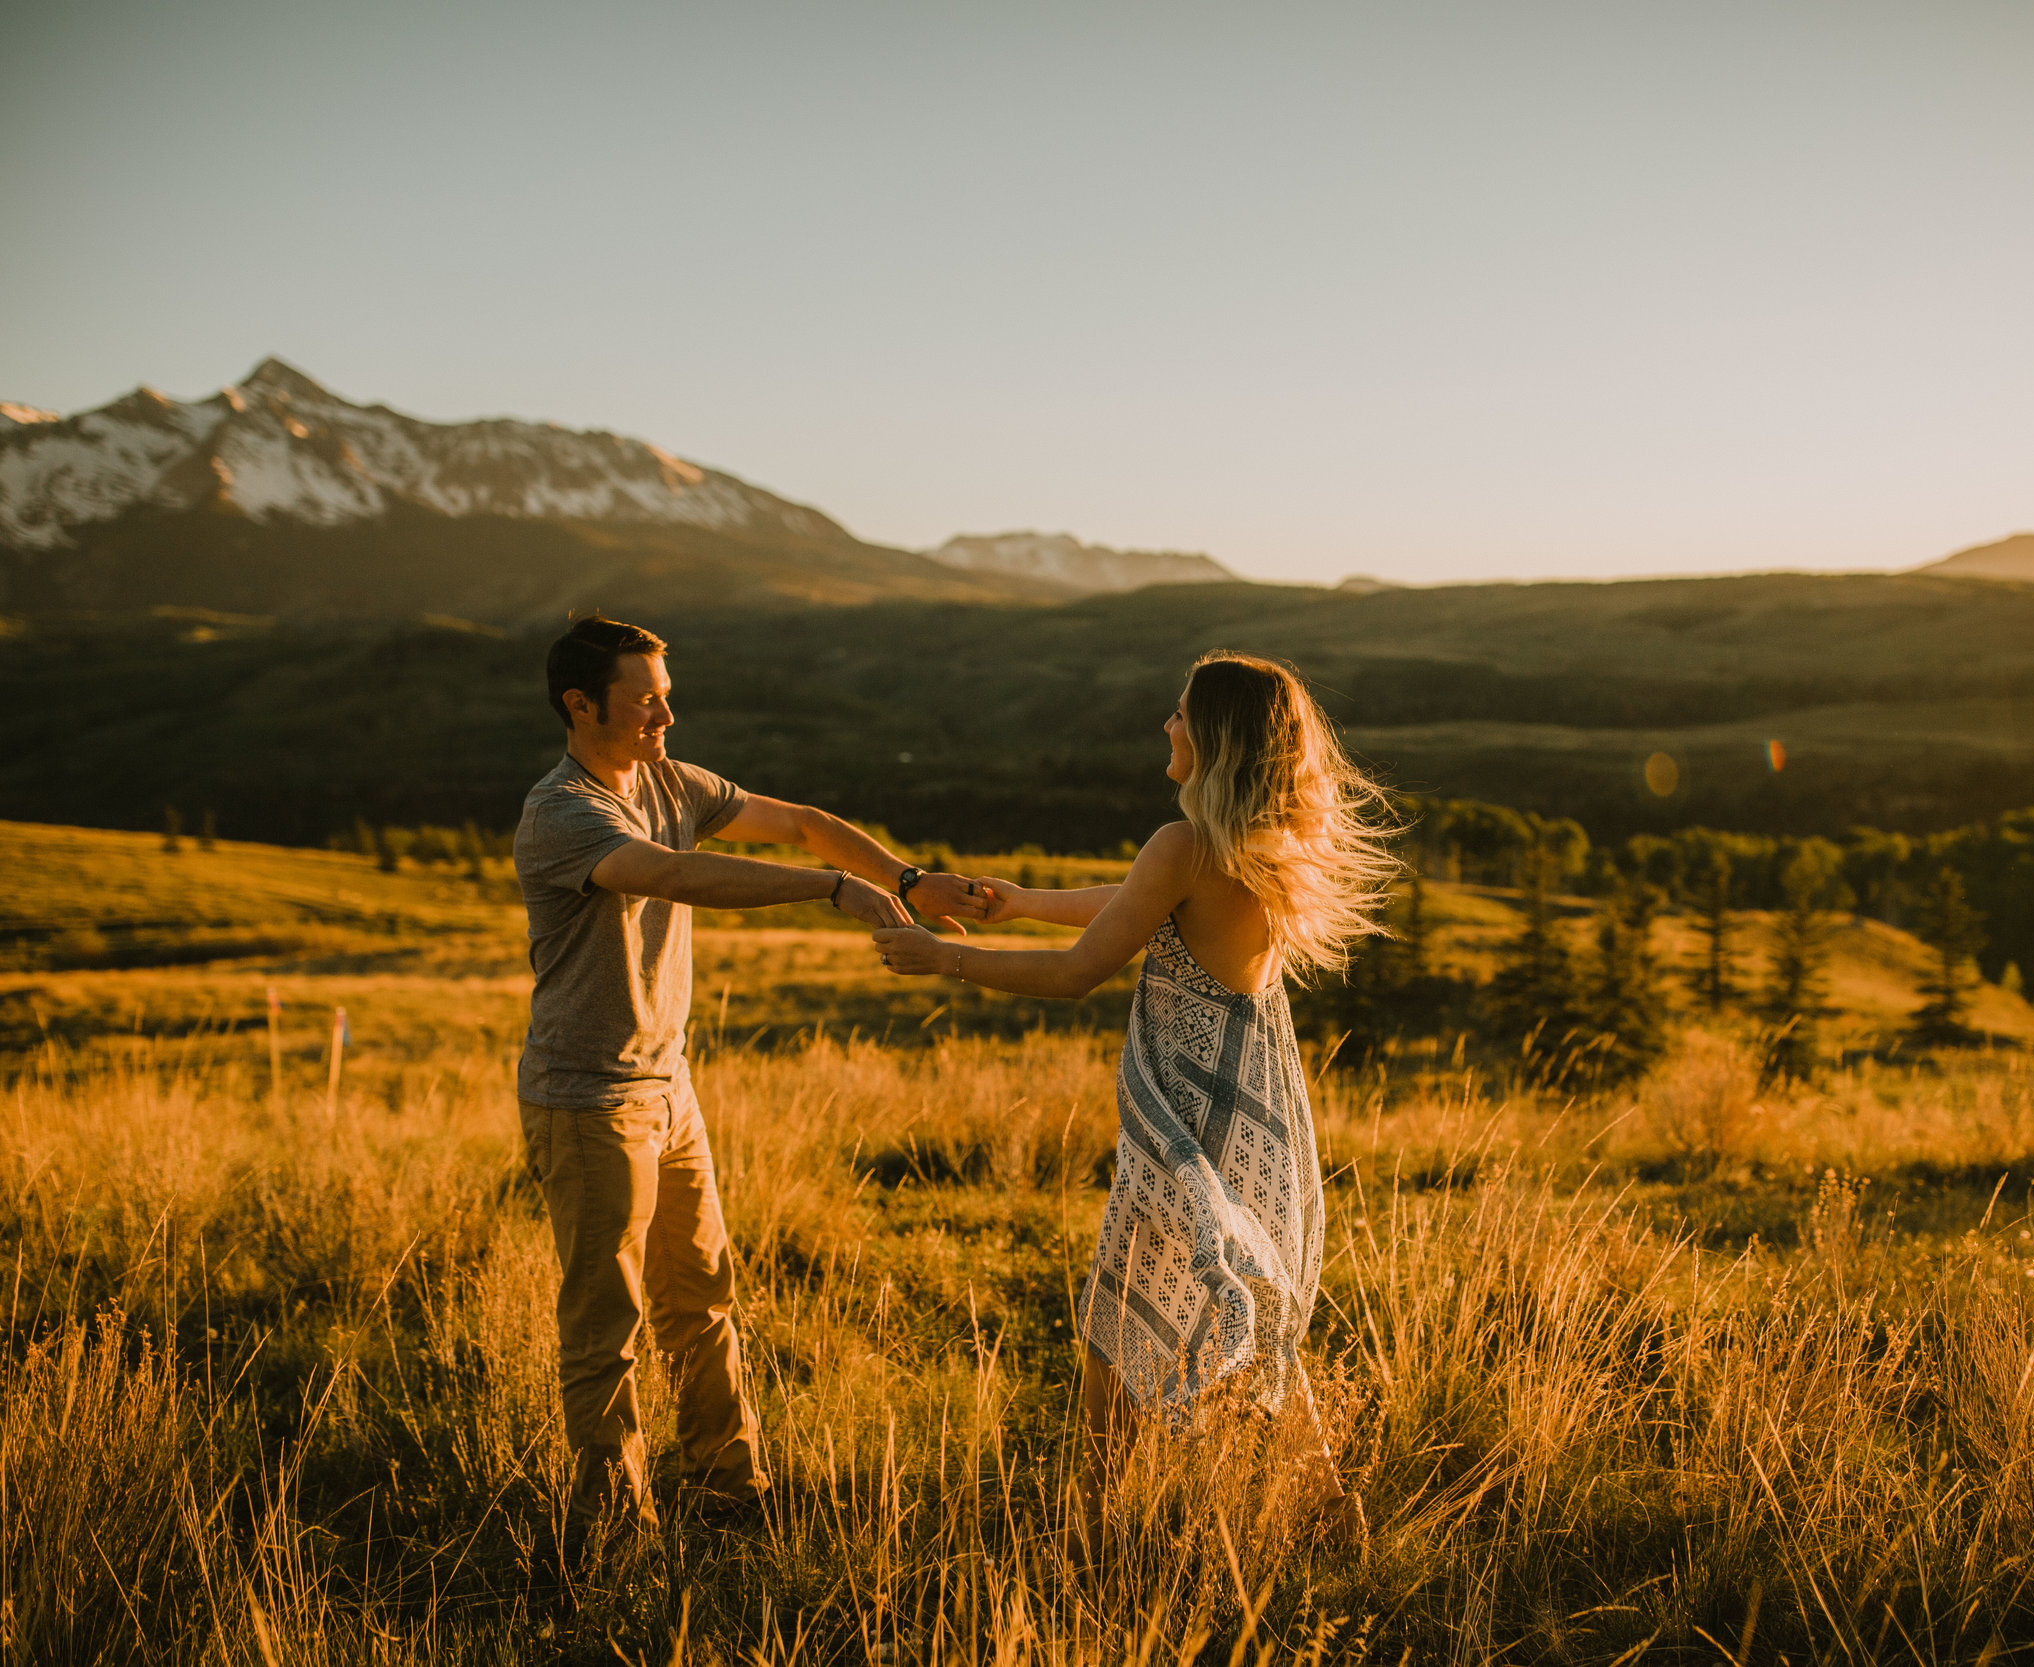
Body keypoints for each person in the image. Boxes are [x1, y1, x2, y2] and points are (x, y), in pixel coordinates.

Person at [872, 651, 1398, 1551]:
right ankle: (1334, 1522)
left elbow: (1081, 972)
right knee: (1247, 1306)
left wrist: (945, 957)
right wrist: (1022, 903)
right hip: (1246, 1116)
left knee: (1120, 1315)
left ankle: (1092, 1529)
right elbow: (1136, 903)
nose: (1167, 724)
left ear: (1218, 737)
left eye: (1182, 713)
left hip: (1185, 1130)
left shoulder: (1184, 844)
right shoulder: (1248, 846)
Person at [513, 614, 989, 1553]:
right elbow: (670, 873)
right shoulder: (563, 810)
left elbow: (804, 821)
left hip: (668, 1089)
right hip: (588, 1099)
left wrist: (907, 875)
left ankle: (732, 1491)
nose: (666, 713)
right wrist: (828, 890)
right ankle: (613, 1536)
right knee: (607, 1323)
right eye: (645, 697)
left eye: (664, 691)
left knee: (704, 1297)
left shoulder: (670, 781)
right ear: (581, 703)